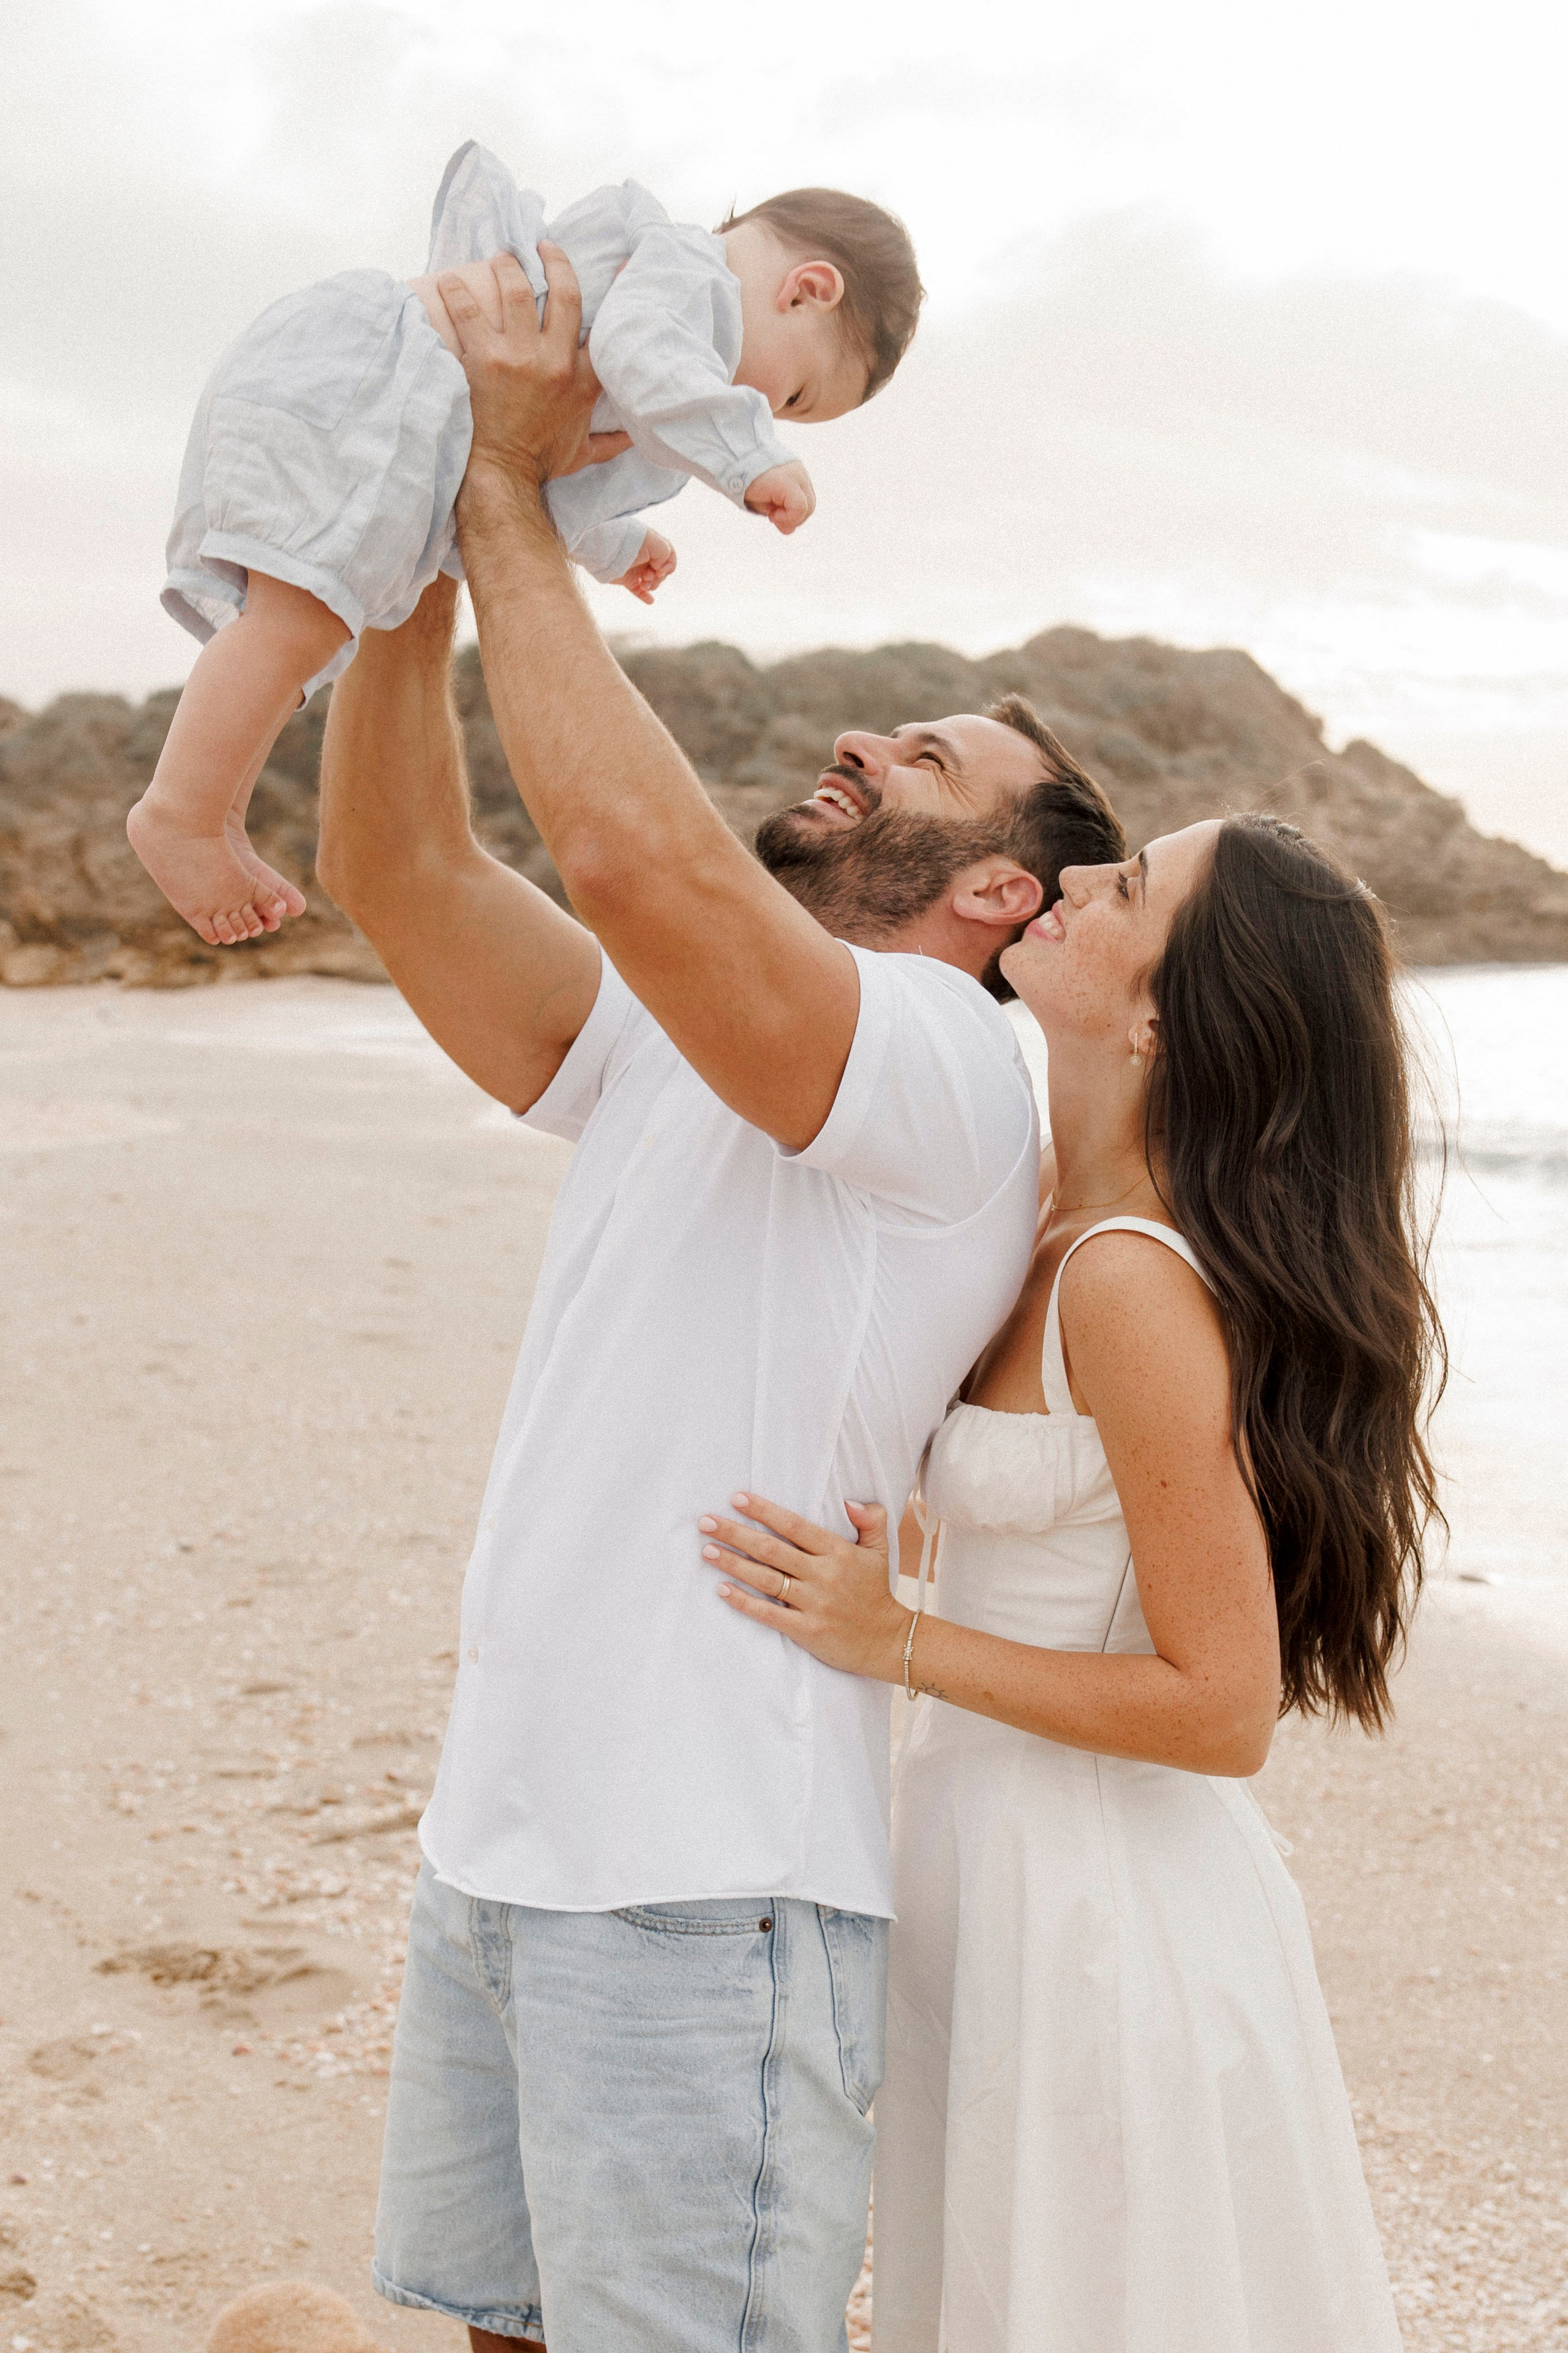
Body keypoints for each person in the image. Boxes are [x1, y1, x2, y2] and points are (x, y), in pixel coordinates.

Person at [311, 247, 1126, 2351]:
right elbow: (402, 874)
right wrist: (414, 545)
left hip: (709, 1872)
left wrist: (510, 488)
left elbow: (639, 864)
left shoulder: (945, 1065)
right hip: (509, 1826)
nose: (864, 738)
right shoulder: (695, 1031)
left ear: (998, 893)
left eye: (926, 757)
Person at [699, 816, 1442, 2350]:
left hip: (1103, 1910)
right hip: (991, 1868)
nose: (1075, 882)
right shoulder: (1032, 1211)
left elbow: (1224, 1704)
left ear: (1163, 1010)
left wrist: (891, 1635)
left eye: (1129, 888)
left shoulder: (1124, 1278)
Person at [128, 139, 923, 947]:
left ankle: (219, 809)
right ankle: (180, 812)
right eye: (793, 397)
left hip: (361, 388)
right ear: (808, 290)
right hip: (364, 381)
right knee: (295, 625)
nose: (767, 410)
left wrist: (617, 543)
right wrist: (754, 456)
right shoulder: (693, 279)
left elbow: (550, 461)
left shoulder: (664, 310)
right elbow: (643, 364)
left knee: (309, 629)